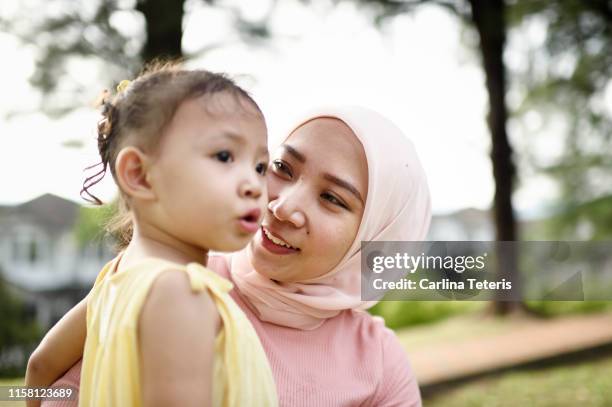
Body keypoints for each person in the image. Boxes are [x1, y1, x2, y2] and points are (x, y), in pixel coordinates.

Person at [39, 105, 431, 406]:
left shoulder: (378, 361)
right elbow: (49, 393)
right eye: (282, 167)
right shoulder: (170, 284)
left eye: (332, 198)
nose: (282, 205)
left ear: (377, 235)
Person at [25, 63, 278, 407]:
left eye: (260, 166)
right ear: (140, 175)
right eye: (224, 156)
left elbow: (40, 366)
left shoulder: (113, 280)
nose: (253, 185)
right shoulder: (179, 293)